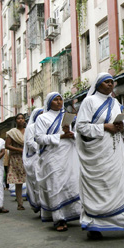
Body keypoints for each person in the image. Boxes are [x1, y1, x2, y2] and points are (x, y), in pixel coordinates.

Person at [76, 73, 124, 240]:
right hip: (97, 154)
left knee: (123, 186)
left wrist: (121, 128)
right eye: (106, 82)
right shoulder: (89, 101)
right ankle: (94, 226)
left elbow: (121, 126)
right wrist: (105, 127)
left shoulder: (115, 102)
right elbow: (81, 127)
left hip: (116, 152)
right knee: (98, 189)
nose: (110, 85)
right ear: (98, 84)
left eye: (111, 82)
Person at [35, 92, 82, 231]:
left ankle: (73, 214)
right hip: (52, 156)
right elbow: (39, 138)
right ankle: (59, 219)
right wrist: (60, 136)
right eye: (55, 100)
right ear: (49, 102)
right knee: (55, 185)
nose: (59, 102)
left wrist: (72, 135)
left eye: (60, 99)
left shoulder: (66, 116)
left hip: (69, 153)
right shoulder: (42, 118)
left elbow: (75, 133)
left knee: (72, 183)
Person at [23, 108, 43, 213]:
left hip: (45, 156)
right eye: (40, 114)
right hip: (35, 157)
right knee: (37, 182)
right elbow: (30, 142)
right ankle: (39, 204)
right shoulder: (31, 127)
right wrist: (41, 148)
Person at [6, 113, 27, 210]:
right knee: (18, 181)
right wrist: (19, 150)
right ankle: (20, 203)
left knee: (30, 180)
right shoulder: (12, 132)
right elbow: (7, 145)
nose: (21, 120)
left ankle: (34, 201)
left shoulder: (28, 131)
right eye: (18, 118)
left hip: (28, 157)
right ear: (15, 121)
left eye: (22, 118)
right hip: (16, 158)